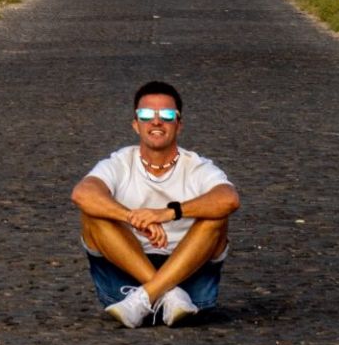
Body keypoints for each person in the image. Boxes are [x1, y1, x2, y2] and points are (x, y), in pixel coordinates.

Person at [70, 80, 241, 326]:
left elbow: (229, 198)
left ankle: (147, 296)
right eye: (147, 114)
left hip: (190, 276)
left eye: (168, 115)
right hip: (126, 274)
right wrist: (133, 218)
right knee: (93, 213)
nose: (157, 121)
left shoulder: (197, 166)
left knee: (217, 214)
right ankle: (169, 295)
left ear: (179, 125)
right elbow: (82, 193)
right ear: (135, 124)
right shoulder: (120, 162)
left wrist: (168, 213)